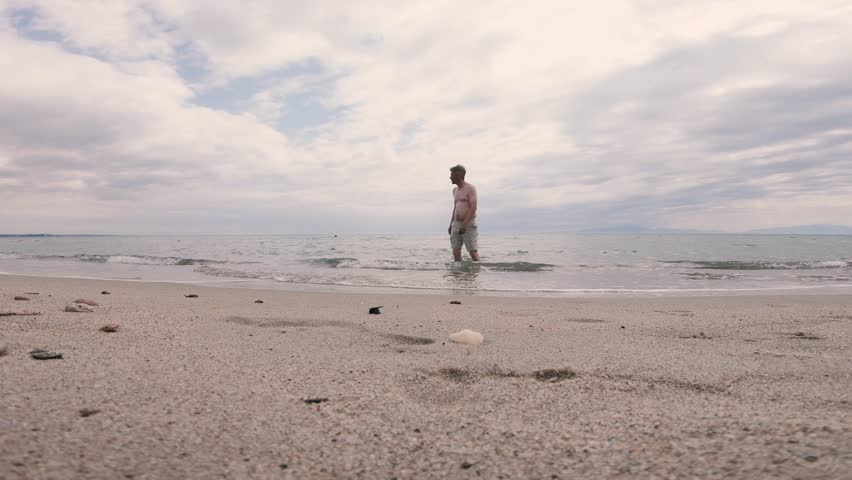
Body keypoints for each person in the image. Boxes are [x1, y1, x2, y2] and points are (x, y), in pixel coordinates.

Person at [448, 164, 480, 261]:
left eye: (451, 175)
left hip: (468, 223)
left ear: (457, 176)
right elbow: (455, 208)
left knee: (472, 251)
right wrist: (451, 224)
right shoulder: (455, 190)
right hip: (456, 223)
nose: (450, 177)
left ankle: (476, 274)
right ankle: (459, 274)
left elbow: (473, 207)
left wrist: (465, 224)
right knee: (455, 251)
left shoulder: (470, 188)